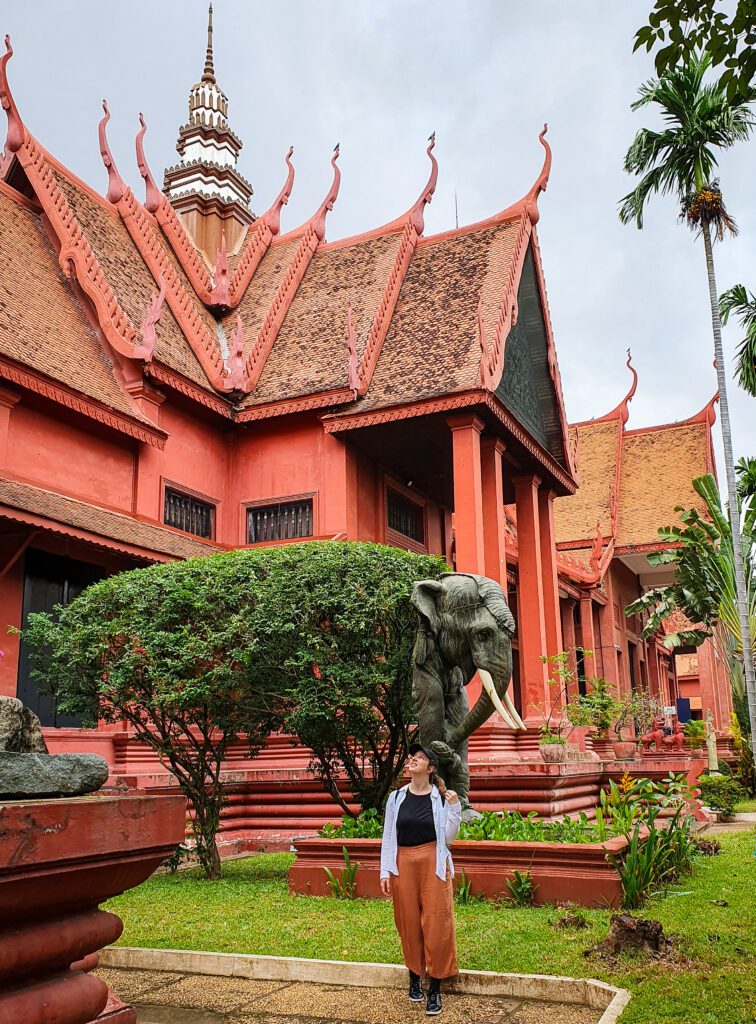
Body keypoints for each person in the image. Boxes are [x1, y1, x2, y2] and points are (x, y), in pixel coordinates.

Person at [380, 742, 462, 1016]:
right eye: (411, 756)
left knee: (437, 923)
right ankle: (415, 975)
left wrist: (455, 808)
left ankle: (435, 989)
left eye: (419, 757)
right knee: (408, 922)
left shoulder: (439, 799)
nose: (412, 759)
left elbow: (448, 839)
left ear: (429, 768)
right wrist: (384, 870)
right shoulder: (396, 798)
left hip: (433, 864)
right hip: (403, 863)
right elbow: (389, 836)